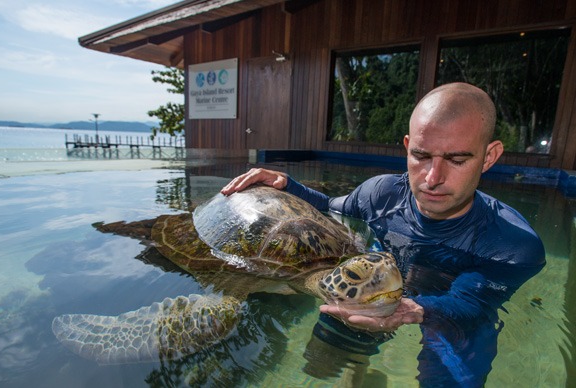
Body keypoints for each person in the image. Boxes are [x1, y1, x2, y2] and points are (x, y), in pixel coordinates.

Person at [221, 83, 546, 387]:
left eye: (457, 159)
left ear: (489, 157)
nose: (433, 178)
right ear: (406, 146)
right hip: (377, 289)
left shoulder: (513, 245)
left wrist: (416, 310)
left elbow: (471, 304)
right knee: (320, 368)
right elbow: (332, 208)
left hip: (455, 316)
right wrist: (286, 184)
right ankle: (361, 373)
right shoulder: (381, 195)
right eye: (420, 156)